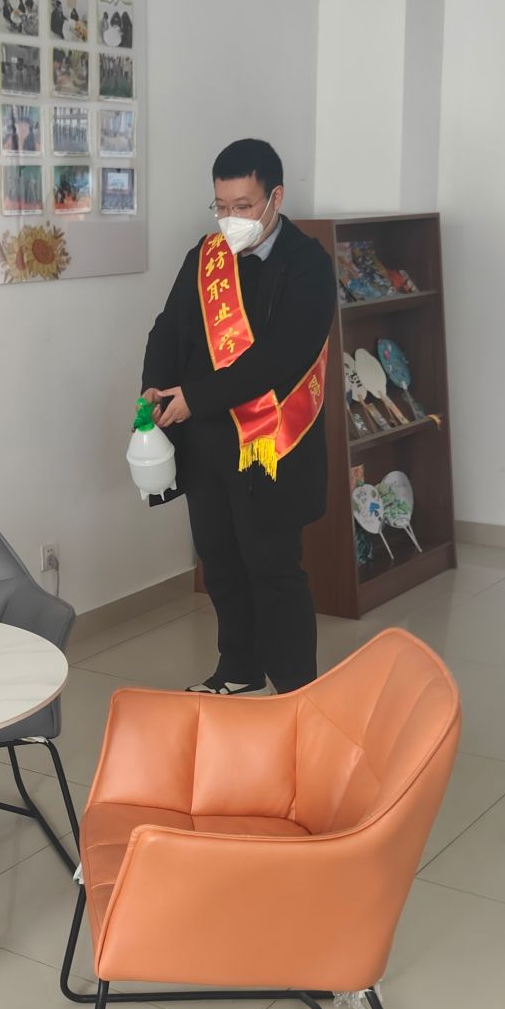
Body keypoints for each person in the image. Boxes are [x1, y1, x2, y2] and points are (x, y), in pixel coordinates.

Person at [140, 138, 332, 694]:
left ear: (275, 198)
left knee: (272, 569)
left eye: (243, 206)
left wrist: (196, 396)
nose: (231, 219)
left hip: (270, 446)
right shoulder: (205, 258)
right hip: (206, 443)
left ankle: (296, 689)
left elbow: (279, 357)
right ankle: (239, 671)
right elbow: (168, 328)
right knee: (220, 564)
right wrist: (154, 387)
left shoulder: (308, 265)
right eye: (221, 206)